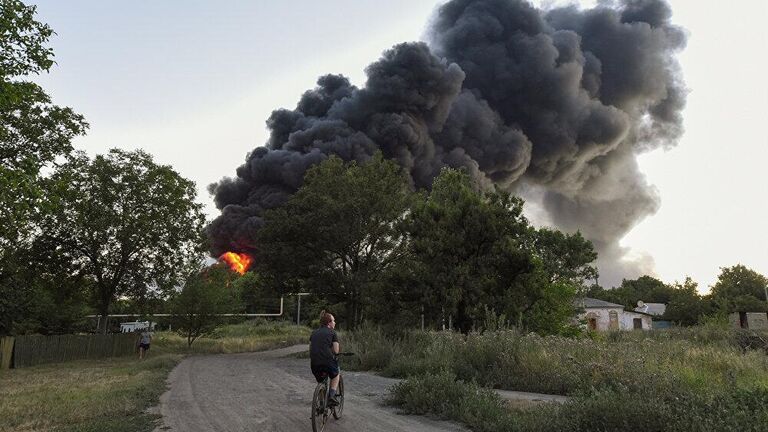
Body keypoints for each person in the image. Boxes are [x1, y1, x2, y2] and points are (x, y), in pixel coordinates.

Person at [309, 311, 341, 406]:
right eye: (334, 321)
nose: (335, 323)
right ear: (329, 323)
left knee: (321, 381)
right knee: (336, 374)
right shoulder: (332, 332)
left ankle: (321, 404)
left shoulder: (314, 333)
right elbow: (336, 351)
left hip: (314, 363)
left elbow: (311, 348)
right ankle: (331, 396)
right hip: (327, 361)